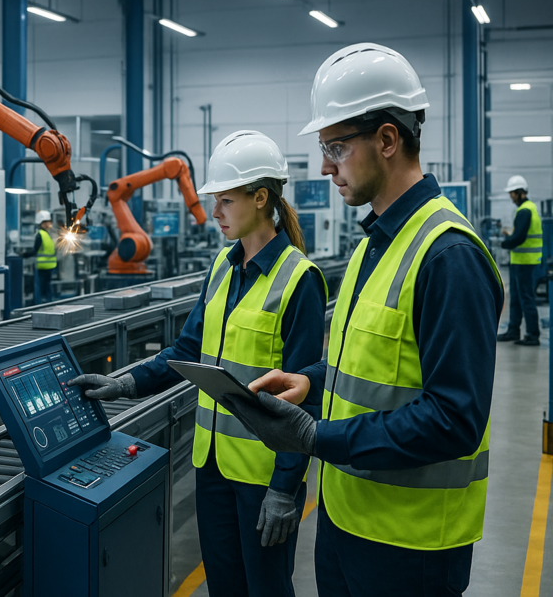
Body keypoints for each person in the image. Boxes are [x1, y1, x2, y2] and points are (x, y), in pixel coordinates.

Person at [224, 43, 503, 597]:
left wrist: (314, 436)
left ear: (388, 140)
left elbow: (455, 418)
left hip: (411, 548)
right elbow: (371, 365)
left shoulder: (447, 256)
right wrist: (314, 382)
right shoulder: (374, 245)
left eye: (336, 146)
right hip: (347, 521)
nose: (325, 165)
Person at [70, 130, 327, 597]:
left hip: (261, 476)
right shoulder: (223, 267)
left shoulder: (299, 280)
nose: (215, 213)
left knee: (266, 589)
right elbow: (188, 351)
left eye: (226, 201)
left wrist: (285, 488)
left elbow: (305, 396)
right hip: (211, 467)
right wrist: (124, 382)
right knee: (225, 588)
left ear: (261, 198)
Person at [498, 175, 542, 346]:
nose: (511, 196)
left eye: (512, 193)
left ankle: (532, 334)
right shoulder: (526, 209)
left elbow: (520, 238)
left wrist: (504, 243)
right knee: (516, 298)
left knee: (526, 298)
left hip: (525, 262)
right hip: (520, 261)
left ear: (520, 193)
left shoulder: (525, 210)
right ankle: (513, 330)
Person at [30, 210, 57, 304]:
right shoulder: (46, 235)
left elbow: (34, 251)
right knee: (46, 289)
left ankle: (39, 306)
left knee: (40, 289)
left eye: (49, 221)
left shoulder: (41, 235)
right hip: (48, 267)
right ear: (41, 223)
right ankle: (47, 305)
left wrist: (23, 255)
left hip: (43, 267)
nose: (49, 224)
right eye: (46, 222)